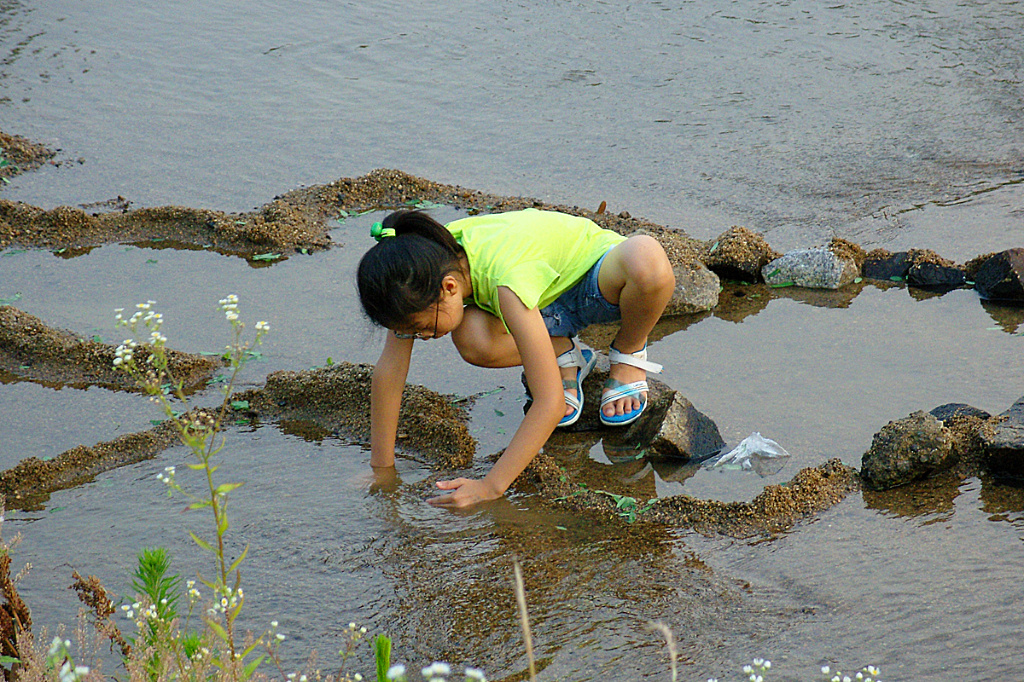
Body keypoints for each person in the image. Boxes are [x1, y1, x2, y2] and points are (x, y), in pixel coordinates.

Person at [357, 208, 674, 509]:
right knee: (471, 337)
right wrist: (382, 469)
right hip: (536, 308)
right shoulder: (419, 265)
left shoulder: (503, 279)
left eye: (422, 329)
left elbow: (548, 404)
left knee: (647, 258)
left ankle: (629, 353)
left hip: (590, 284)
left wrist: (490, 487)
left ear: (449, 287)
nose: (422, 337)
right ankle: (563, 354)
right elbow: (390, 372)